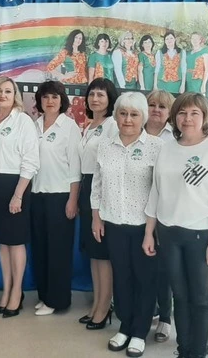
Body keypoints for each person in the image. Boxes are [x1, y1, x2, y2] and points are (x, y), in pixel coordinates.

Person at [144, 92, 208, 358]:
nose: (187, 118)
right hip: (169, 233)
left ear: (205, 117)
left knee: (202, 297)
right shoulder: (167, 148)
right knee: (180, 296)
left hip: (203, 235)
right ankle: (184, 349)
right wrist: (149, 232)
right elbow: (156, 191)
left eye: (194, 113)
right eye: (182, 113)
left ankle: (198, 352)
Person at [92, 92, 162, 358]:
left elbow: (159, 190)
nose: (128, 119)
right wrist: (96, 217)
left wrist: (151, 231)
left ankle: (140, 332)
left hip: (145, 227)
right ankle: (125, 326)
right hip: (114, 223)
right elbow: (97, 184)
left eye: (134, 114)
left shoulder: (157, 147)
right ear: (116, 116)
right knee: (121, 278)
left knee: (145, 280)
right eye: (123, 113)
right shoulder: (105, 146)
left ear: (143, 117)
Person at [0, 76, 40, 318]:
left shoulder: (23, 121)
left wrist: (18, 195)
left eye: (8, 91)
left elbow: (31, 161)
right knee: (2, 242)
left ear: (14, 95)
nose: (3, 95)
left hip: (15, 186)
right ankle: (6, 290)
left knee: (15, 242)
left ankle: (17, 292)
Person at [30, 81, 81, 316]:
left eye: (54, 97)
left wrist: (73, 200)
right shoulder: (33, 125)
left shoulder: (69, 127)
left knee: (58, 252)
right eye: (45, 97)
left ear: (62, 101)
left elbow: (75, 168)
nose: (50, 101)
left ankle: (58, 300)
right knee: (40, 249)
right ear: (39, 101)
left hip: (60, 197)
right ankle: (44, 295)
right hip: (36, 195)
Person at [78, 78, 119, 329]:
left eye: (101, 95)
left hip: (102, 191)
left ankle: (104, 308)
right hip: (86, 189)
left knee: (103, 254)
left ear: (110, 99)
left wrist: (100, 204)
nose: (95, 99)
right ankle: (96, 304)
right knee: (94, 254)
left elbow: (109, 166)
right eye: (92, 94)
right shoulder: (90, 125)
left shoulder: (112, 124)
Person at [143, 89, 176, 342]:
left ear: (170, 112)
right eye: (152, 105)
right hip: (134, 210)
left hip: (163, 211)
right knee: (142, 266)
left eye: (162, 107)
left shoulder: (174, 138)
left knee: (163, 268)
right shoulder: (135, 130)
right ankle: (147, 311)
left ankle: (165, 317)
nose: (156, 110)